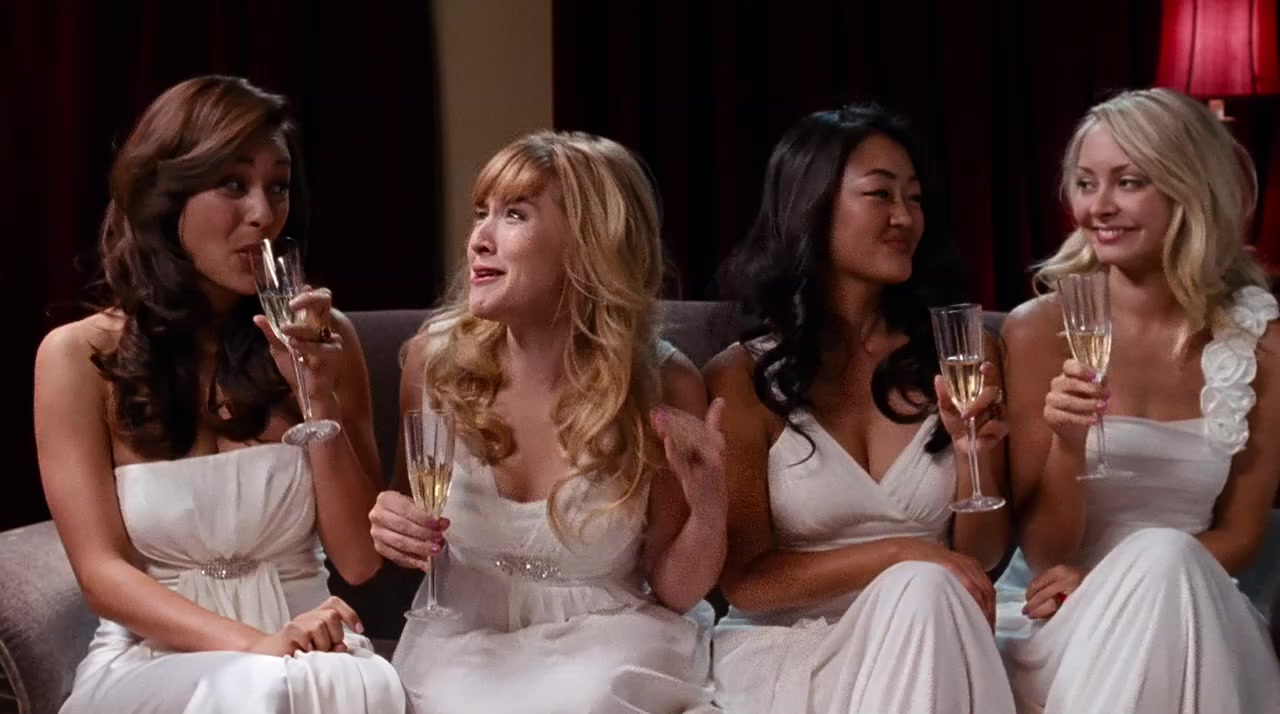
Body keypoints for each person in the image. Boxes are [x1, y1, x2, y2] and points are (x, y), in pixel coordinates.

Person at [35, 75, 404, 713]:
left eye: (278, 186)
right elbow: (101, 576)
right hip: (157, 657)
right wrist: (258, 646)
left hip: (311, 644)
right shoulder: (76, 358)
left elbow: (358, 561)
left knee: (343, 685)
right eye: (232, 184)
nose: (262, 213)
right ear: (165, 195)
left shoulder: (325, 339)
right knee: (264, 690)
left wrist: (317, 394)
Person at [368, 130, 726, 713]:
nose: (479, 239)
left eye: (515, 215)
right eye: (480, 213)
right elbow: (410, 511)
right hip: (462, 645)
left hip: (605, 644)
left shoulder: (663, 385)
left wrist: (709, 506)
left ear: (590, 242)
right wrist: (391, 521)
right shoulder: (433, 362)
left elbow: (675, 591)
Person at [705, 103, 1016, 714]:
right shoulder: (738, 377)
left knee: (928, 593)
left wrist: (974, 455)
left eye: (914, 198)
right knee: (923, 583)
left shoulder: (963, 352)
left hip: (934, 629)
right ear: (812, 204)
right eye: (880, 194)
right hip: (798, 646)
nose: (905, 217)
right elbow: (745, 580)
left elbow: (979, 557)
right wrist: (902, 553)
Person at [998, 87, 1280, 713]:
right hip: (1065, 618)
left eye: (1128, 182)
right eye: (1085, 183)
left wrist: (1120, 579)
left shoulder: (1261, 341)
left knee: (1166, 553)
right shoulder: (1036, 330)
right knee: (1159, 557)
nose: (1098, 207)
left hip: (1198, 608)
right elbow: (1045, 553)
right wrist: (1068, 442)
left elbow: (1241, 534)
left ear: (1189, 188)